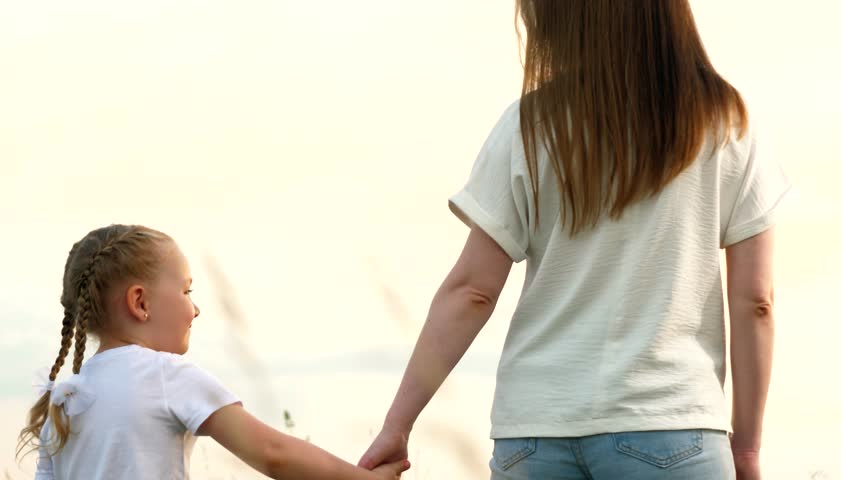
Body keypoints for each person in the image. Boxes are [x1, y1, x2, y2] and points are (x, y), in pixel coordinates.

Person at [359, 1, 790, 479]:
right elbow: (756, 301)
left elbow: (472, 291)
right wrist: (747, 448)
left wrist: (398, 424)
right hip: (669, 425)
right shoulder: (727, 124)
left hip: (536, 436)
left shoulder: (529, 124)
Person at [17, 224, 410, 480]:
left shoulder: (67, 399)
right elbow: (273, 453)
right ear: (140, 302)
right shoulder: (165, 376)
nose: (195, 308)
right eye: (187, 291)